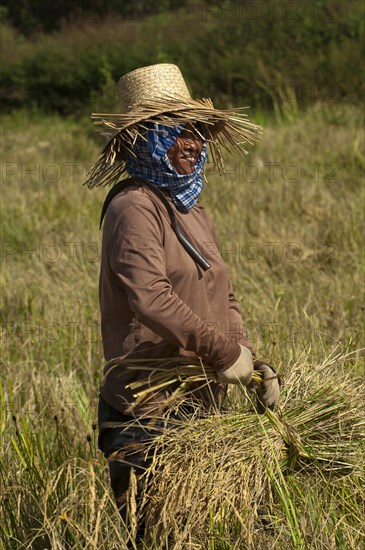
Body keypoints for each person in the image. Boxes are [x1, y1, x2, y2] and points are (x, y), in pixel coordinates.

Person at [84, 63, 280, 547]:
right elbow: (151, 297)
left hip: (200, 408)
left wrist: (252, 361)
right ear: (143, 140)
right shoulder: (134, 206)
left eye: (195, 131)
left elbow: (223, 295)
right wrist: (219, 352)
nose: (192, 142)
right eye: (175, 131)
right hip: (148, 414)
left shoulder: (193, 209)